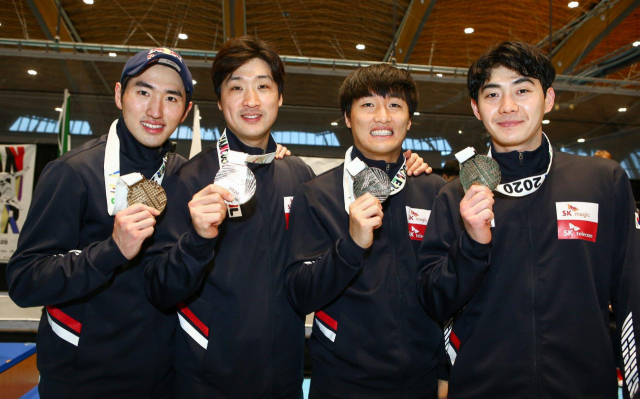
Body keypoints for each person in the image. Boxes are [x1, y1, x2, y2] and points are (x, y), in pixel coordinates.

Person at [142, 36, 429, 398]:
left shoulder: (297, 174)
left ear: (278, 97)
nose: (250, 100)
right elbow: (158, 290)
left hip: (285, 377)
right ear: (219, 100)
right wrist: (196, 240)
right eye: (236, 87)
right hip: (207, 380)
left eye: (263, 86)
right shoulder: (188, 180)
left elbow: (307, 275)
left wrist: (406, 165)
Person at [417, 41, 639, 398]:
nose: (507, 107)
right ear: (476, 108)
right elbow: (434, 302)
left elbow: (632, 294)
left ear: (548, 99)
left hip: (584, 386)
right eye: (492, 95)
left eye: (522, 90)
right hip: (482, 387)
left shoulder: (602, 180)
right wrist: (472, 244)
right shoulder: (456, 195)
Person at [6, 47, 194, 398]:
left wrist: (271, 158)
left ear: (185, 111)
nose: (155, 110)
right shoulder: (73, 172)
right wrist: (110, 251)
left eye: (171, 97)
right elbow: (24, 281)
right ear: (119, 94)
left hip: (165, 381)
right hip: (83, 383)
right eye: (143, 91)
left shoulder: (185, 176)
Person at [285, 63, 447, 399]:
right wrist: (350, 247)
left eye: (395, 105)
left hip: (422, 379)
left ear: (410, 119)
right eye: (368, 105)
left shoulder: (434, 191)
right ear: (347, 117)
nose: (383, 117)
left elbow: (450, 292)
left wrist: (445, 371)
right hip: (343, 381)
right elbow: (300, 294)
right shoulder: (317, 194)